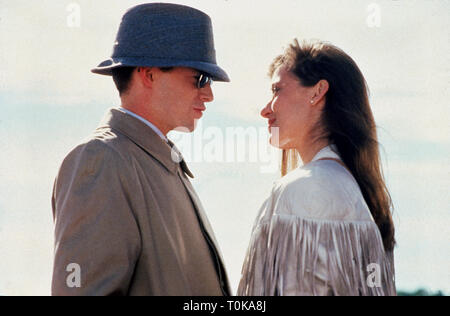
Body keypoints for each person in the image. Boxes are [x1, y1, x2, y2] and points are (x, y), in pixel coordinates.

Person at [51, 3, 231, 296]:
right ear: (148, 75)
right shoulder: (102, 161)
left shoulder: (158, 162)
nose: (208, 94)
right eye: (199, 79)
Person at [238, 39, 396, 296]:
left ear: (317, 92)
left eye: (277, 90)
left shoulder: (306, 188)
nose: (265, 110)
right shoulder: (356, 192)